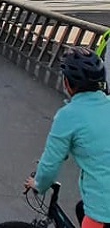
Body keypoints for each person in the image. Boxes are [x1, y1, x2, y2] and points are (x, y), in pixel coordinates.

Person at [26, 47, 110, 228]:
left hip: (104, 211)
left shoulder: (68, 116)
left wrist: (38, 184)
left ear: (67, 83)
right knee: (82, 207)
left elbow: (50, 164)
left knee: (91, 213)